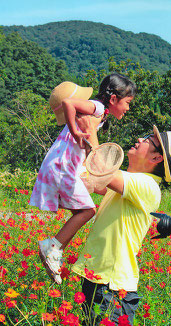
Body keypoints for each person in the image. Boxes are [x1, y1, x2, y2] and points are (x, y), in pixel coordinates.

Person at [70, 117, 171, 326]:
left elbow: (101, 170)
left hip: (113, 290)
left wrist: (92, 130)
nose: (139, 139)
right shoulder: (127, 183)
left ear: (156, 158)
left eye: (147, 140)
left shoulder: (148, 186)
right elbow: (92, 176)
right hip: (98, 283)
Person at [30, 74, 136, 284]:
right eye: (127, 103)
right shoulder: (97, 107)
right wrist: (74, 131)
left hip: (62, 166)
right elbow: (68, 102)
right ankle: (52, 247)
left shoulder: (99, 115)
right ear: (113, 99)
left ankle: (54, 249)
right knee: (88, 210)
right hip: (63, 167)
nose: (128, 108)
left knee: (83, 209)